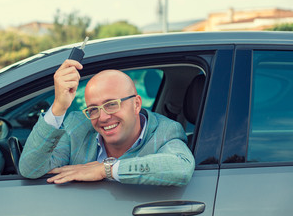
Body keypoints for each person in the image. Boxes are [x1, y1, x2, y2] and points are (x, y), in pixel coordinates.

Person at [19, 59, 195, 186]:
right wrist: (59, 106)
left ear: (136, 104)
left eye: (111, 104)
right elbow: (30, 169)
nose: (102, 117)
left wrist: (106, 169)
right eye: (93, 109)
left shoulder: (165, 132)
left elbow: (181, 167)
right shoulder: (78, 127)